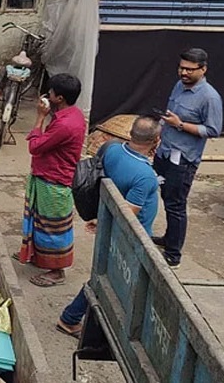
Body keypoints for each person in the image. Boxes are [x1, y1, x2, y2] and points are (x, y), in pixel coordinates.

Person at [57, 116, 162, 338]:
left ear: (130, 133)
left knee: (109, 276)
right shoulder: (145, 177)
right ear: (157, 141)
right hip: (133, 238)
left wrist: (100, 219)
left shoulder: (112, 149)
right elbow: (128, 212)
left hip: (111, 227)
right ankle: (71, 318)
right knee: (111, 279)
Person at [151, 48, 222, 269]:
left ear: (203, 69)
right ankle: (168, 238)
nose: (183, 72)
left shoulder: (210, 97)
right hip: (164, 152)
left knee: (176, 204)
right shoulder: (179, 86)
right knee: (164, 196)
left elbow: (212, 130)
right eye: (181, 67)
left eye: (190, 70)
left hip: (183, 160)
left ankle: (174, 254)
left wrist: (180, 125)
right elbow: (170, 113)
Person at [14, 73, 86, 287]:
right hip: (46, 175)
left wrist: (39, 117)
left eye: (51, 93)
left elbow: (35, 146)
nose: (47, 95)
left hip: (54, 180)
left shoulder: (64, 124)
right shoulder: (72, 114)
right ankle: (37, 255)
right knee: (39, 221)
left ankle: (57, 271)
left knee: (53, 228)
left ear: (59, 98)